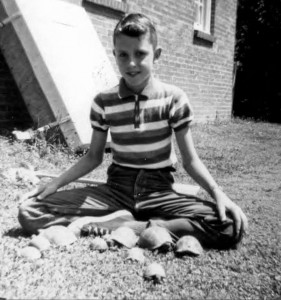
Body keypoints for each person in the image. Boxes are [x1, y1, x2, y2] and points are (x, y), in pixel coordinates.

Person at [18, 13, 248, 249]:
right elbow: (93, 157)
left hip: (159, 192)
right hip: (117, 190)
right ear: (115, 55)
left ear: (156, 55)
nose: (131, 63)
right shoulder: (103, 101)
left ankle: (131, 227)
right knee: (30, 212)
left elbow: (190, 161)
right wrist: (55, 183)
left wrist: (217, 192)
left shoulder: (174, 99)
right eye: (123, 55)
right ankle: (122, 222)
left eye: (140, 54)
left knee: (229, 223)